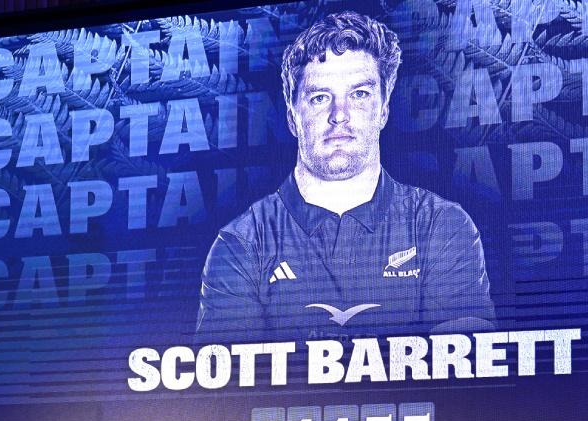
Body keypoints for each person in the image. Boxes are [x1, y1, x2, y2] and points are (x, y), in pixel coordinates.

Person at [196, 11, 496, 343]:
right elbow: (234, 391)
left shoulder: (440, 226)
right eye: (320, 98)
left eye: (359, 94)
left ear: (383, 109)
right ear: (293, 116)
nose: (339, 115)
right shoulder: (242, 245)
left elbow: (467, 384)